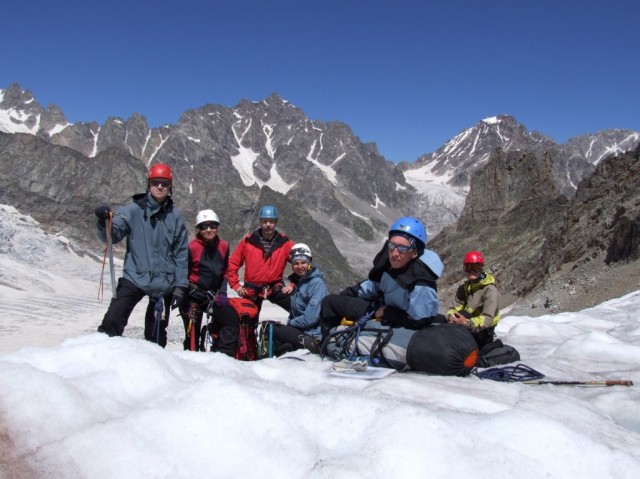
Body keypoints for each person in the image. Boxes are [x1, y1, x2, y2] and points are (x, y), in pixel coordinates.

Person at [94, 163, 189, 347]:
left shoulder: (176, 217)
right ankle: (102, 355)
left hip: (163, 283)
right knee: (113, 319)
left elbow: (181, 253)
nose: (160, 186)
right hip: (135, 277)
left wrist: (180, 286)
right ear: (149, 184)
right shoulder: (132, 211)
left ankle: (152, 369)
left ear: (170, 187)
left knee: (156, 335)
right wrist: (103, 221)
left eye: (164, 183)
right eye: (155, 183)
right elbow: (113, 236)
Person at [320, 217, 444, 341]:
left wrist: (387, 313)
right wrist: (348, 294)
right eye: (392, 245)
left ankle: (326, 344)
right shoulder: (394, 265)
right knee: (334, 301)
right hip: (381, 308)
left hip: (390, 317)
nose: (394, 253)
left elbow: (418, 321)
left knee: (329, 302)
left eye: (402, 248)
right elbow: (374, 285)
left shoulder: (421, 282)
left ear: (415, 252)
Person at [179, 209, 239, 355]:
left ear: (217, 227)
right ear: (199, 229)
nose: (209, 230)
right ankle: (190, 358)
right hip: (193, 296)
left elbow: (225, 271)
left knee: (230, 319)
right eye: (204, 226)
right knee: (192, 335)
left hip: (213, 296)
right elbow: (183, 273)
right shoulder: (192, 247)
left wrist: (223, 292)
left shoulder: (224, 246)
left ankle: (224, 355)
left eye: (212, 226)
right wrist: (185, 293)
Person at [227, 205, 294, 313]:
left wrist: (293, 284)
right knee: (248, 321)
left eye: (271, 221)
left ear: (276, 222)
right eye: (265, 221)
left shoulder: (285, 243)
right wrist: (235, 285)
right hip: (252, 290)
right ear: (260, 222)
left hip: (275, 288)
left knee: (297, 308)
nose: (268, 224)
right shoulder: (248, 241)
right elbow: (233, 263)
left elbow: (301, 264)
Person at [269, 243, 329, 355]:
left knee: (270, 328)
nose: (300, 266)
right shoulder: (298, 283)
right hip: (303, 331)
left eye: (303, 262)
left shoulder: (316, 284)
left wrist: (291, 323)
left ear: (309, 263)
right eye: (296, 263)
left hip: (314, 336)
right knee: (283, 346)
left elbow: (311, 318)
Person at [446, 251, 501, 350]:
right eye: (468, 268)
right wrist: (451, 316)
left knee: (463, 314)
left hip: (482, 331)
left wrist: (466, 323)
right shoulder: (463, 288)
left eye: (475, 268)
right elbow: (454, 308)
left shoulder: (490, 290)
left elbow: (487, 319)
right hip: (466, 325)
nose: (472, 271)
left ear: (481, 269)